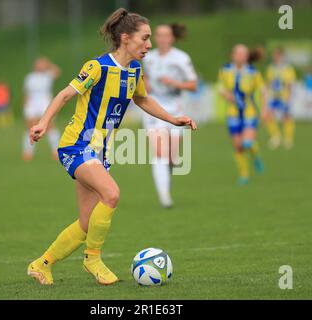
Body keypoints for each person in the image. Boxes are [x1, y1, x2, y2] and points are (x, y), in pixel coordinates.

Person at [26, 8, 197, 286]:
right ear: (126, 38)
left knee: (85, 224)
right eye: (145, 38)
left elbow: (142, 99)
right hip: (76, 145)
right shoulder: (97, 67)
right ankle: (92, 258)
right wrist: (43, 123)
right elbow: (66, 93)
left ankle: (41, 265)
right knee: (112, 193)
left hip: (99, 152)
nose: (149, 45)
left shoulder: (135, 70)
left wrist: (172, 118)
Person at [142, 23, 198, 208]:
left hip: (176, 109)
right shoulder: (148, 57)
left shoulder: (181, 58)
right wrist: (145, 84)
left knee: (172, 158)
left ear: (172, 38)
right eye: (158, 35)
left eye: (166, 35)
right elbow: (143, 77)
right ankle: (164, 196)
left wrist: (174, 83)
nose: (162, 38)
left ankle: (166, 177)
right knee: (159, 153)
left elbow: (193, 85)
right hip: (154, 108)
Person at [218, 44, 265, 185]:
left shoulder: (253, 72)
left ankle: (256, 155)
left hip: (249, 111)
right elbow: (220, 87)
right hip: (233, 113)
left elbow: (263, 91)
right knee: (238, 146)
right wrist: (226, 95)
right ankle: (244, 175)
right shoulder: (225, 70)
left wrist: (265, 109)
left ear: (247, 57)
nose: (241, 56)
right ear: (233, 55)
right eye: (238, 53)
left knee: (247, 142)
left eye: (244, 54)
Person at [22, 57, 61, 161]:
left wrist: (48, 64)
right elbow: (26, 93)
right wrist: (26, 106)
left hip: (45, 102)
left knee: (49, 126)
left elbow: (58, 71)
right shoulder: (30, 77)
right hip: (32, 102)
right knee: (31, 126)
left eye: (41, 64)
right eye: (38, 64)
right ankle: (28, 152)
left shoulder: (47, 75)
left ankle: (56, 151)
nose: (40, 66)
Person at [264, 48, 296, 149]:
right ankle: (276, 137)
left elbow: (290, 83)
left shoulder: (288, 69)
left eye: (277, 55)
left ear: (282, 57)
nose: (275, 57)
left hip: (283, 96)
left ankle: (288, 138)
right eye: (274, 55)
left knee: (286, 116)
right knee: (268, 116)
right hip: (273, 96)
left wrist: (289, 96)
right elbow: (268, 83)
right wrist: (266, 95)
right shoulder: (271, 68)